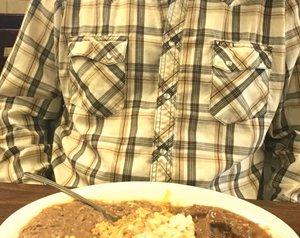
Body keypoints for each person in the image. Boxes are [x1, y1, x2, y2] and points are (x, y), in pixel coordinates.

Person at [0, 0, 299, 201]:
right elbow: (17, 110)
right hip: (81, 219)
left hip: (230, 231)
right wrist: (37, 201)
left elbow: (295, 137)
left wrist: (284, 218)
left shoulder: (284, 9)